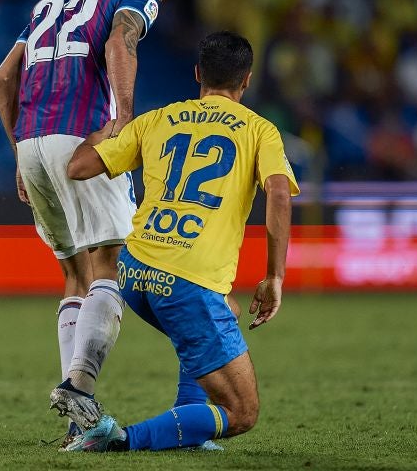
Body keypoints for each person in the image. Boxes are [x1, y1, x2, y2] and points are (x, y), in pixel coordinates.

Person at [61, 30, 299, 451]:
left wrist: (107, 130)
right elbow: (279, 193)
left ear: (196, 74)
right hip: (187, 282)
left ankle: (188, 431)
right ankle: (115, 438)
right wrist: (274, 276)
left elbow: (78, 167)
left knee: (218, 311)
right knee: (242, 412)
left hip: (133, 272)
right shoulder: (260, 131)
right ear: (246, 81)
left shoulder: (157, 119)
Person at [0, 0, 173, 440]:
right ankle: (80, 388)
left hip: (31, 142)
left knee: (74, 274)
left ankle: (78, 422)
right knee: (108, 266)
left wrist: (20, 154)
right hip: (83, 137)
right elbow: (121, 42)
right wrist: (123, 118)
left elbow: (2, 81)